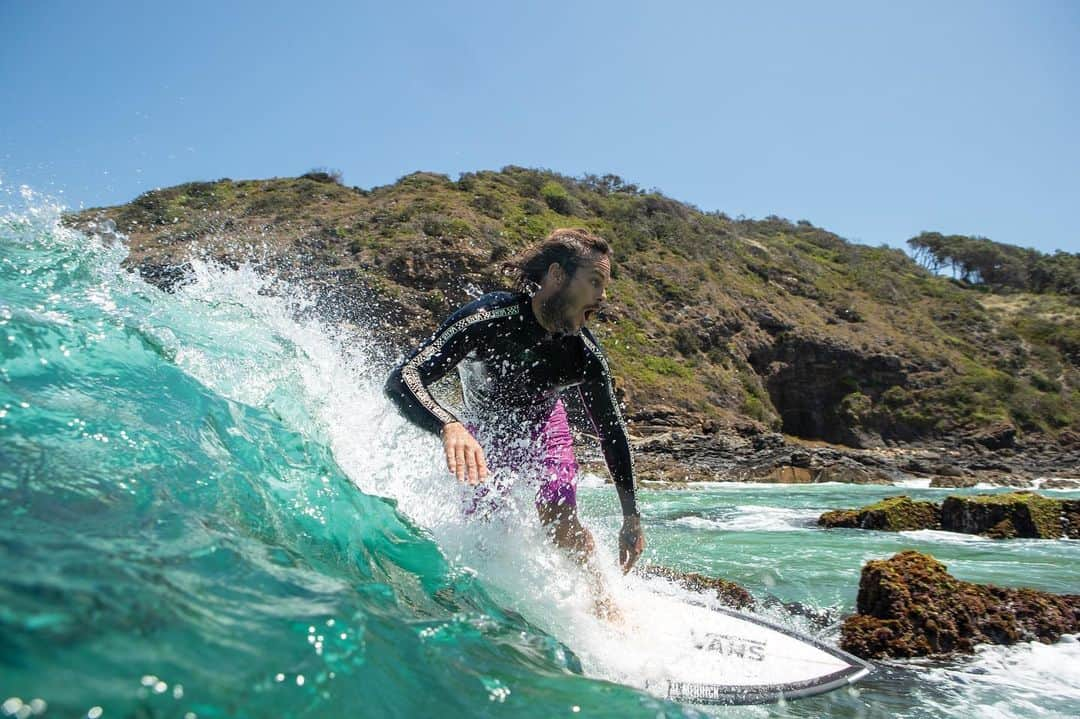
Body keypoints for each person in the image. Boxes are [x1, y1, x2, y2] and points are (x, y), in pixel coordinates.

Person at [384, 227, 645, 612]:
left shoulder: (583, 354)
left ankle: (603, 603)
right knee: (487, 532)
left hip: (544, 428)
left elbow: (612, 432)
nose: (602, 297)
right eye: (593, 282)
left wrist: (631, 518)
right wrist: (448, 424)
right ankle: (490, 605)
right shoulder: (489, 318)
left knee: (560, 523)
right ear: (557, 275)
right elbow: (403, 379)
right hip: (484, 433)